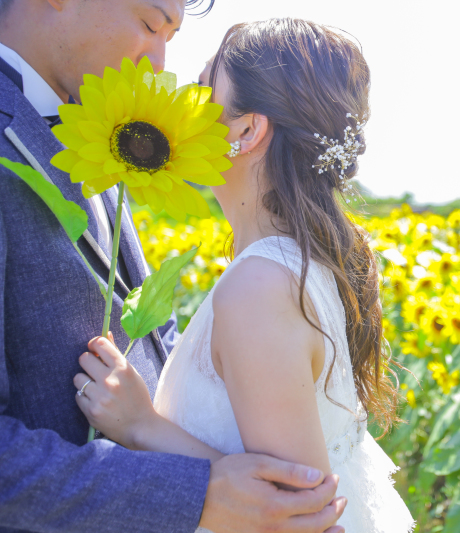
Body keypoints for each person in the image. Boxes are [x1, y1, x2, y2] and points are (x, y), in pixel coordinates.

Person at [0, 1, 346, 532]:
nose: (159, 64)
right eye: (148, 24)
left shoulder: (105, 127)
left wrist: (152, 430)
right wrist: (200, 493)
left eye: (172, 36)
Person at [72, 18, 416, 533]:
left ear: (248, 131)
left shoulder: (261, 285)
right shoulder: (294, 263)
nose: (181, 102)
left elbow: (301, 512)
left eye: (203, 90)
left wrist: (143, 428)